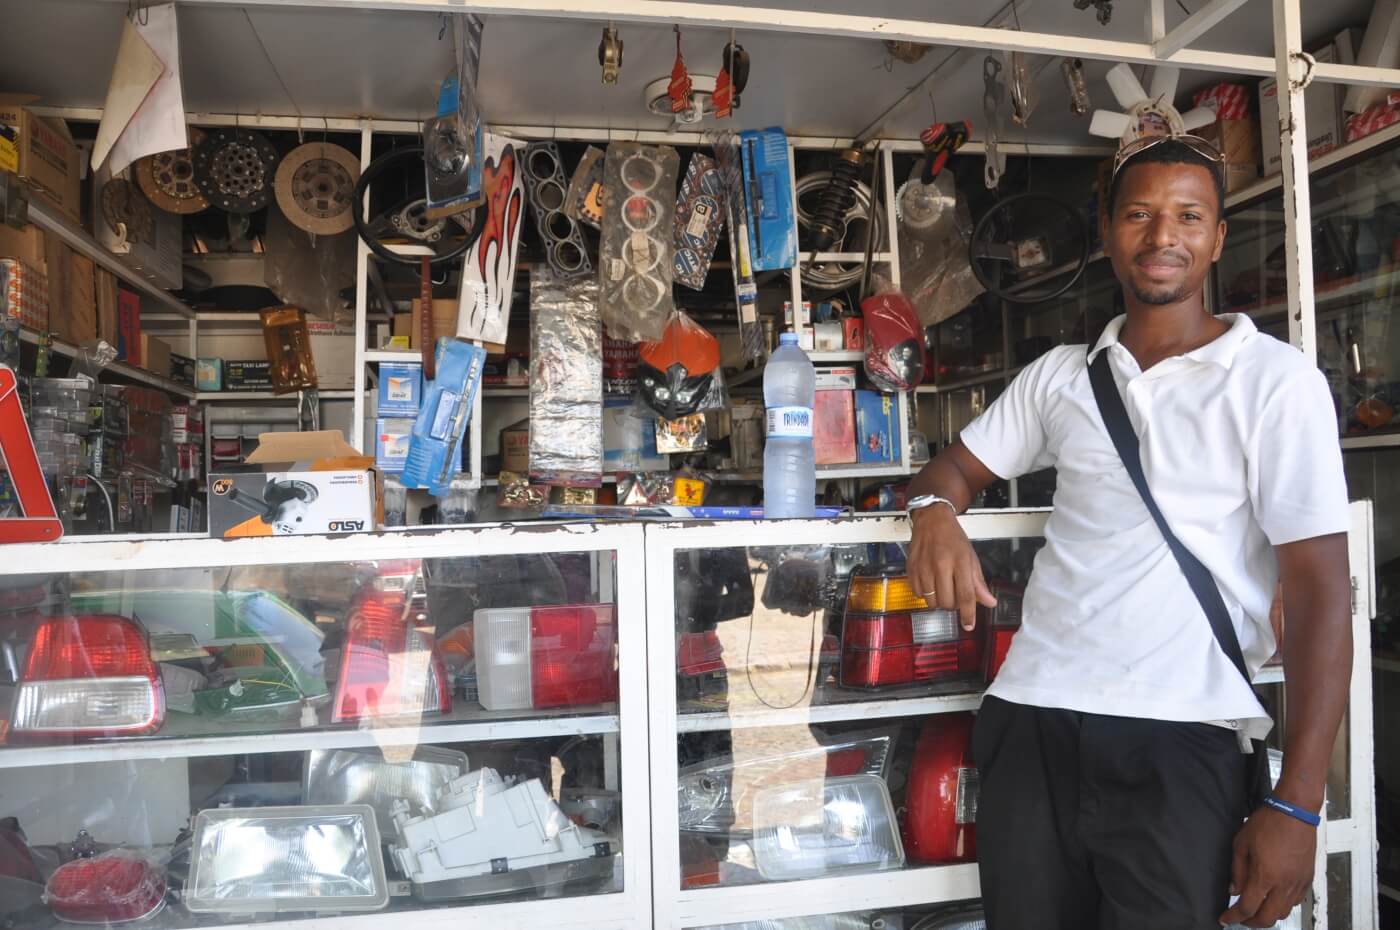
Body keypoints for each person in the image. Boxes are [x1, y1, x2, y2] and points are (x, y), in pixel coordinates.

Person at [904, 136, 1352, 929]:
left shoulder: (1277, 383)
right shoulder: (1061, 377)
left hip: (1183, 737)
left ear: (1218, 236)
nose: (1163, 236)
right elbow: (950, 472)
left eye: (1189, 216)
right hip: (1032, 719)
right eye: (1139, 215)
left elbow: (1321, 595)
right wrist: (933, 513)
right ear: (1108, 233)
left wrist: (1298, 802)